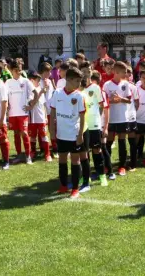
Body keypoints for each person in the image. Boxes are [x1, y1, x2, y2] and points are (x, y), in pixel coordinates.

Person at [50, 67, 87, 199]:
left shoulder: (79, 96)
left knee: (75, 160)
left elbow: (82, 117)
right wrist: (52, 131)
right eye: (77, 81)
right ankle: (63, 186)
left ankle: (75, 189)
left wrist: (80, 134)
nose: (79, 84)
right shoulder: (57, 93)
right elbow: (52, 113)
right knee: (62, 159)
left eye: (80, 81)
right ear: (68, 79)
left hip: (74, 134)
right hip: (61, 134)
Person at [103, 61, 133, 176]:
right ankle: (107, 165)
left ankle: (122, 166)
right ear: (116, 72)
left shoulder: (125, 84)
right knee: (109, 142)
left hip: (122, 118)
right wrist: (110, 100)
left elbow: (129, 99)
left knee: (122, 141)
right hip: (111, 118)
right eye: (123, 72)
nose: (126, 74)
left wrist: (120, 99)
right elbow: (104, 101)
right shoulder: (107, 85)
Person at [6, 58, 38, 164]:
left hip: (23, 113)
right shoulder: (8, 82)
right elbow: (5, 97)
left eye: (20, 70)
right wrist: (6, 107)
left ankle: (28, 156)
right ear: (12, 70)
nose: (19, 72)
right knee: (16, 134)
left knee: (24, 133)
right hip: (12, 113)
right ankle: (19, 155)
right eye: (16, 70)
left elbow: (36, 93)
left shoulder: (25, 81)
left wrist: (31, 105)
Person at [85, 71, 110, 186]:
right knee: (84, 152)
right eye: (83, 71)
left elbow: (102, 106)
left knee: (97, 150)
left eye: (87, 72)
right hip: (83, 125)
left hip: (94, 124)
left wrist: (99, 121)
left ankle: (102, 175)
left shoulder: (95, 88)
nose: (85, 74)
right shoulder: (78, 89)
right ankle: (86, 177)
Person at [27, 70, 52, 162]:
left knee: (44, 136)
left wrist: (45, 116)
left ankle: (47, 154)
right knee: (32, 136)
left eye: (38, 79)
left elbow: (44, 104)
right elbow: (32, 103)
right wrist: (40, 92)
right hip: (32, 118)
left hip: (41, 118)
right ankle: (33, 152)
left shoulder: (41, 89)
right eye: (35, 79)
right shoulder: (30, 91)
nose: (37, 81)